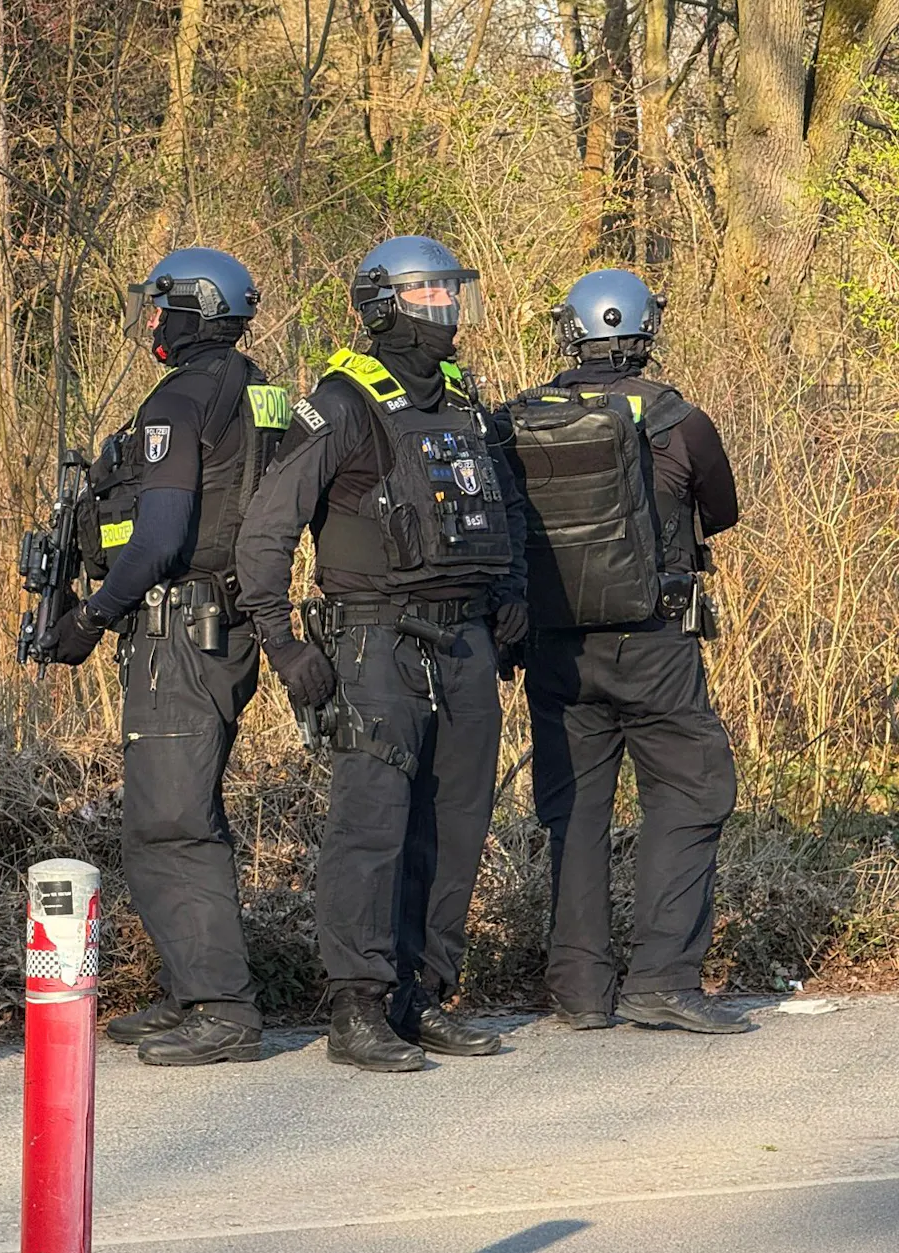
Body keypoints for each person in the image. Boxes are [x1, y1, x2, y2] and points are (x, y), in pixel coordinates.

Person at [235, 235, 528, 1072]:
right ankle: (356, 1005)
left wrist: (512, 594)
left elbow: (500, 505)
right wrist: (281, 641)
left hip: (465, 639)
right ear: (385, 306)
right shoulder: (342, 402)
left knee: (455, 825)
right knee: (371, 830)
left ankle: (420, 994)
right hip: (374, 642)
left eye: (452, 292)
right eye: (430, 294)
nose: (448, 308)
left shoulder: (465, 399)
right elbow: (266, 530)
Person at [42, 246, 286, 1066]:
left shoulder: (178, 400)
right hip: (229, 624)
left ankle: (222, 1007)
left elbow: (159, 540)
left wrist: (90, 617)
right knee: (178, 811)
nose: (150, 319)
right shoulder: (259, 389)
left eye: (159, 305)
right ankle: (191, 989)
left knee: (171, 823)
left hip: (179, 631)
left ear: (193, 310)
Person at [516, 269, 743, 1033]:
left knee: (574, 811)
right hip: (655, 643)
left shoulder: (524, 418)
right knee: (689, 793)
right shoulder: (680, 420)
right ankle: (663, 979)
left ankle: (580, 990)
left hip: (555, 648)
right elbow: (722, 511)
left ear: (571, 334)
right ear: (646, 331)